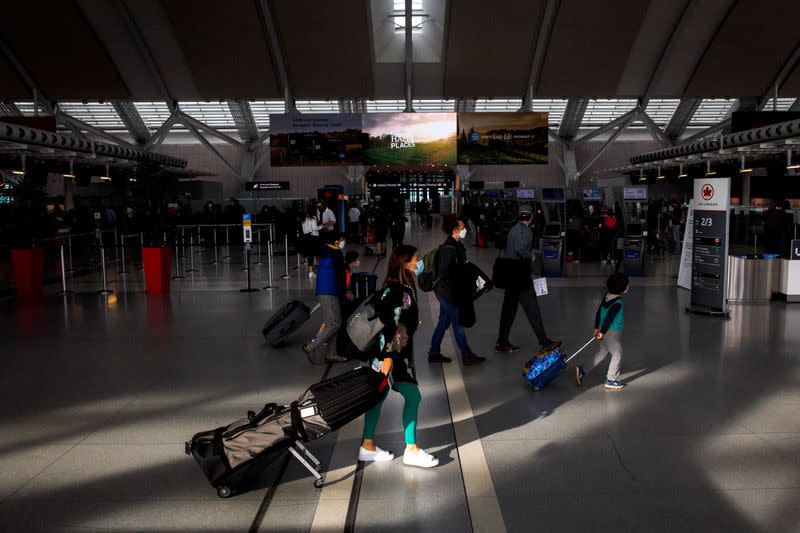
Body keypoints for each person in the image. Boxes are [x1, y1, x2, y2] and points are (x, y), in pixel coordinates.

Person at [358, 244, 439, 468]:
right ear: (405, 262)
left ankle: (367, 445)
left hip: (384, 354)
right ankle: (411, 449)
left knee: (379, 396)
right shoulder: (401, 291)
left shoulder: (393, 286)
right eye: (416, 258)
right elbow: (392, 327)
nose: (419, 261)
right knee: (413, 397)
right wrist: (388, 358)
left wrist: (412, 324)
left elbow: (398, 320)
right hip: (391, 357)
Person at [495, 205, 561, 355]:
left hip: (510, 275)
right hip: (521, 277)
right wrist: (530, 255)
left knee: (508, 311)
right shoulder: (525, 230)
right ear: (531, 217)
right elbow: (519, 248)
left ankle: (502, 342)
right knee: (533, 310)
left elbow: (510, 248)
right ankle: (544, 342)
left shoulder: (513, 229)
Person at [428, 215, 485, 366]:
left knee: (444, 321)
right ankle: (467, 355)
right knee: (458, 322)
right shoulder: (449, 249)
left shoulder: (457, 245)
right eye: (462, 227)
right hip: (447, 292)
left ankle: (434, 353)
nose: (465, 229)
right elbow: (445, 274)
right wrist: (457, 291)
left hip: (446, 291)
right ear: (455, 230)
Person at [575, 273, 629, 390]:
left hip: (602, 330)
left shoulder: (607, 297)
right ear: (621, 289)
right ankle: (611, 379)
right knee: (617, 354)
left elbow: (599, 312)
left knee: (601, 353)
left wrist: (596, 328)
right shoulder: (618, 302)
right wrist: (603, 331)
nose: (627, 287)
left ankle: (582, 370)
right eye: (626, 286)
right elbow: (609, 318)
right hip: (611, 332)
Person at [303, 232, 350, 364]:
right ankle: (311, 347)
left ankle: (331, 353)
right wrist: (345, 291)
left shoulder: (325, 249)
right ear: (336, 241)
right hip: (330, 290)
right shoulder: (336, 254)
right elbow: (340, 275)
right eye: (341, 240)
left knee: (334, 321)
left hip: (323, 289)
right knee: (335, 323)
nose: (342, 242)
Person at [302, 207, 322, 278]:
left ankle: (310, 271)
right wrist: (321, 226)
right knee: (316, 253)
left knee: (310, 254)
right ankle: (314, 270)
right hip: (314, 238)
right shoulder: (313, 218)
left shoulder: (305, 218)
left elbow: (304, 230)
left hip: (306, 238)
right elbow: (314, 228)